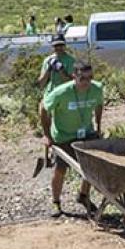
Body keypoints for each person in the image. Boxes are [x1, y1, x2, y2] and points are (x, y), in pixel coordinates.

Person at [41, 62, 103, 217]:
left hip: (86, 132)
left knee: (91, 167)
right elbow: (43, 107)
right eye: (82, 78)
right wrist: (47, 135)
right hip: (64, 135)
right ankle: (56, 202)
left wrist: (98, 127)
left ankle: (83, 196)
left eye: (90, 78)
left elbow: (99, 105)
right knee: (61, 169)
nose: (86, 82)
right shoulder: (61, 92)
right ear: (74, 76)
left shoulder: (96, 89)